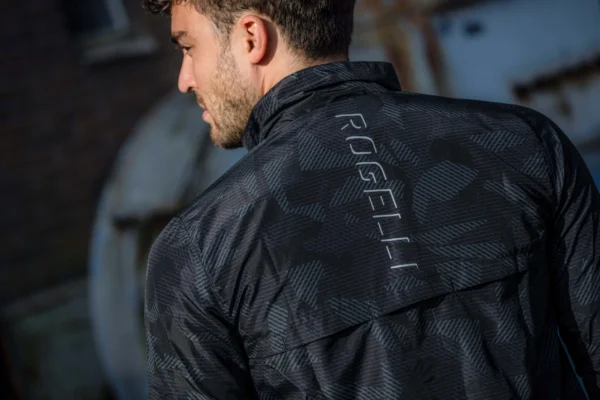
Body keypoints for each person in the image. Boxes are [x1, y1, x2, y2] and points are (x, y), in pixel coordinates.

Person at [142, 1, 600, 399]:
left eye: (188, 47)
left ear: (250, 37)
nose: (185, 79)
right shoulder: (523, 144)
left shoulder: (200, 245)